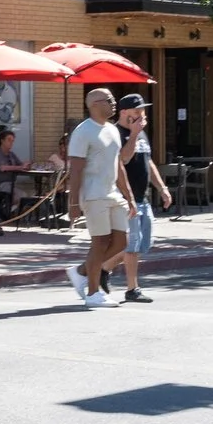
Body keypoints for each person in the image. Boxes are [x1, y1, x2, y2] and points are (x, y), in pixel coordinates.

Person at [62, 88, 132, 309]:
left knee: (122, 241)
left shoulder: (112, 130)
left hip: (113, 193)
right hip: (93, 195)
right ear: (93, 104)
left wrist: (129, 196)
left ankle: (82, 271)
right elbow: (76, 170)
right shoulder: (83, 132)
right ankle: (93, 292)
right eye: (108, 101)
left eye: (113, 99)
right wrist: (73, 203)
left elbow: (118, 164)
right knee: (100, 242)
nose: (113, 104)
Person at [115, 95, 169, 304]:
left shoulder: (141, 134)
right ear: (124, 113)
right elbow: (123, 160)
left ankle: (100, 269)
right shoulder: (116, 133)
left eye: (142, 111)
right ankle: (132, 288)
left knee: (143, 244)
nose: (140, 115)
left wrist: (162, 187)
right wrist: (135, 135)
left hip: (143, 198)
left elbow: (148, 162)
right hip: (125, 198)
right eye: (136, 111)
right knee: (133, 246)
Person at [0, 127, 27, 221]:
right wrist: (19, 167)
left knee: (24, 195)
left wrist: (27, 164)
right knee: (20, 196)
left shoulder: (11, 155)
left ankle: (8, 213)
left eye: (13, 140)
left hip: (9, 184)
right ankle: (7, 214)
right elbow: (2, 168)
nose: (11, 143)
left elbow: (21, 164)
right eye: (9, 140)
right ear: (2, 141)